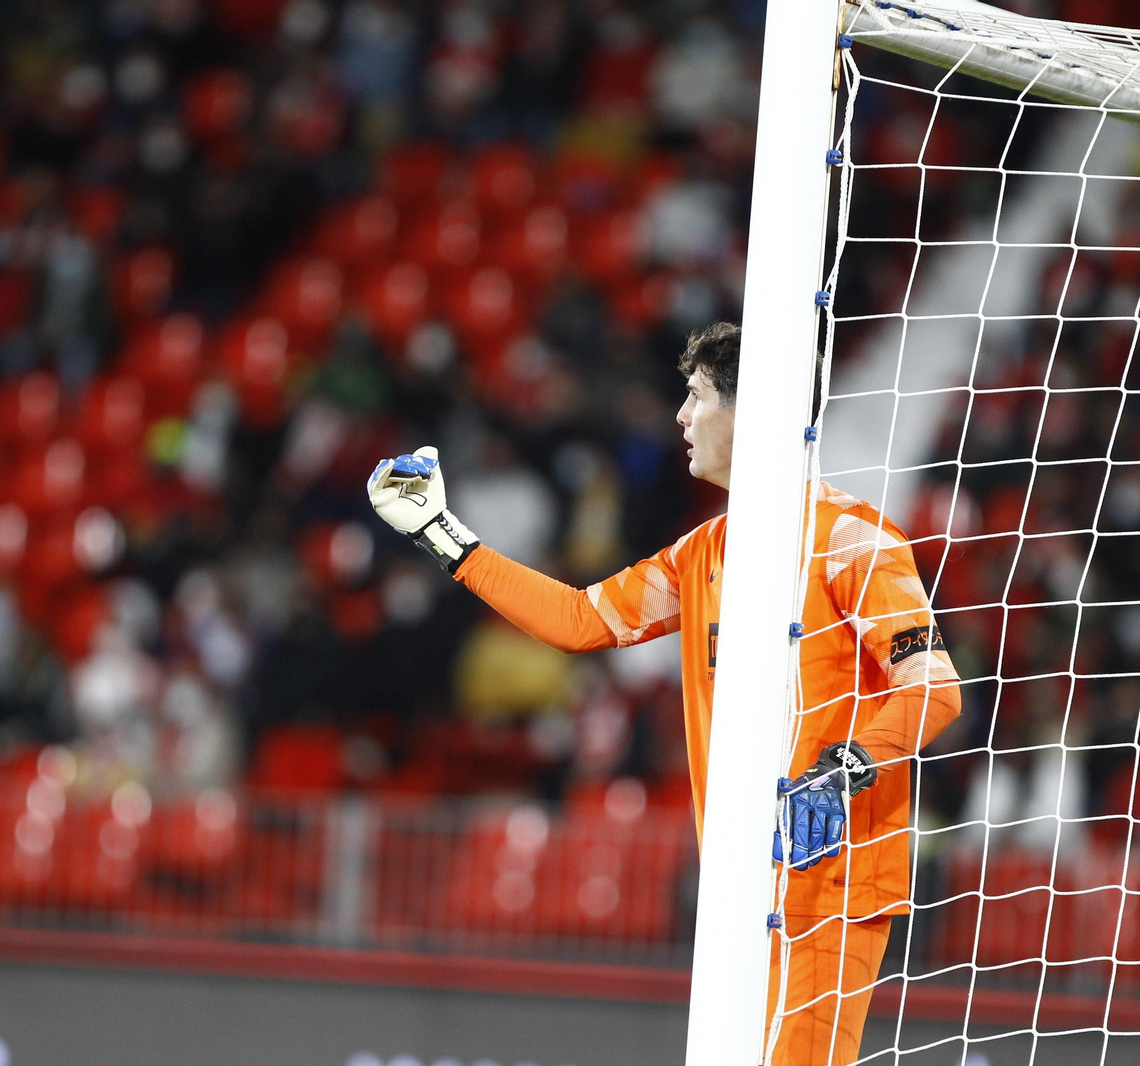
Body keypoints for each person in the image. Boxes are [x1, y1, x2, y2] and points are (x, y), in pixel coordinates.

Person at [367, 321, 963, 1066]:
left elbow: (935, 687)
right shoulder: (704, 552)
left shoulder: (854, 542)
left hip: (830, 880)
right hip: (734, 881)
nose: (681, 417)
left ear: (758, 410)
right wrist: (440, 533)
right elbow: (581, 620)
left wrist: (843, 770)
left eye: (698, 396)